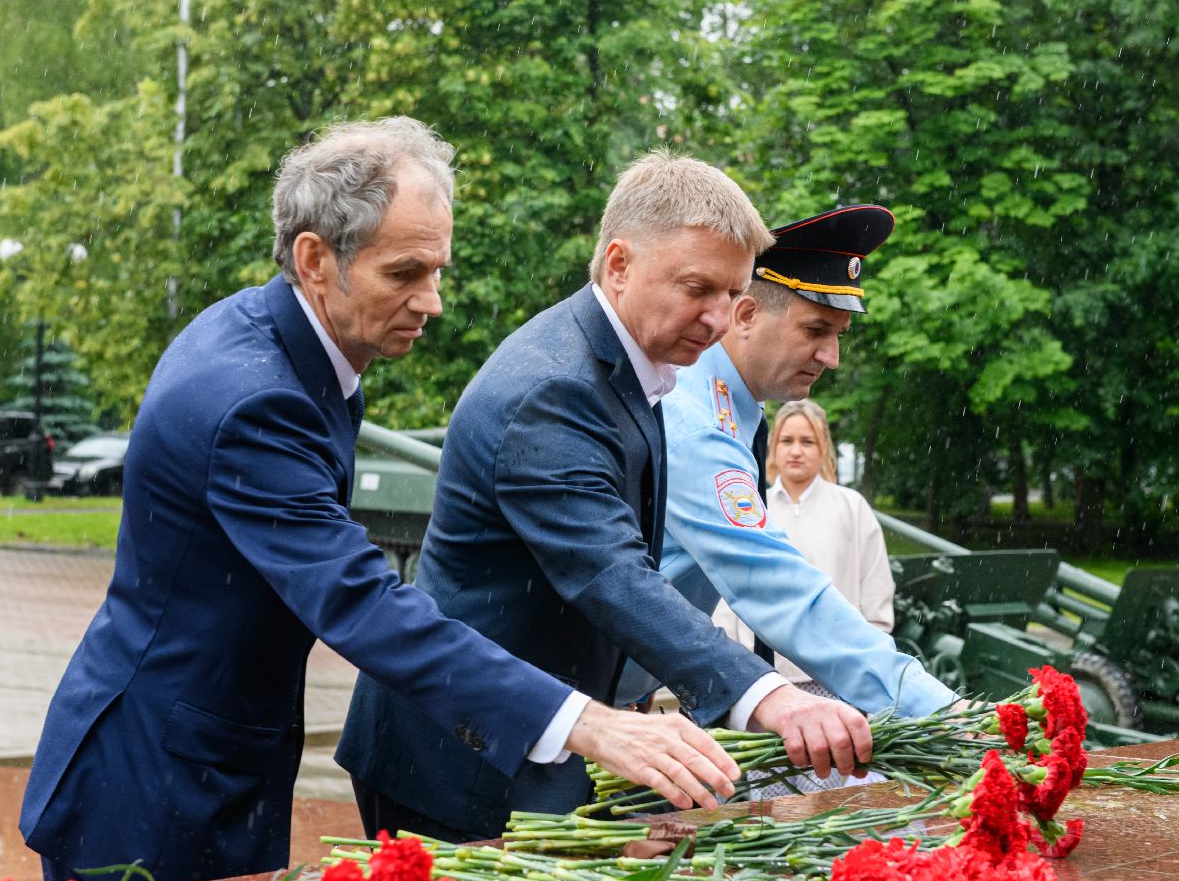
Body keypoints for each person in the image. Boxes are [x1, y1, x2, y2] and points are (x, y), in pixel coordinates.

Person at [20, 119, 739, 881]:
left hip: (203, 754)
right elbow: (360, 604)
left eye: (437, 270)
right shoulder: (255, 401)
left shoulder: (282, 340)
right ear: (315, 259)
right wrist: (585, 723)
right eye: (404, 273)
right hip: (151, 783)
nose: (431, 302)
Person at [340, 151, 876, 843]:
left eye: (731, 294)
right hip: (460, 756)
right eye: (697, 288)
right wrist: (766, 697)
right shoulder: (553, 389)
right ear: (619, 265)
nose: (718, 319)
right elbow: (608, 572)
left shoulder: (630, 361)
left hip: (533, 742)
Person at [642, 205, 956, 716]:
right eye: (815, 330)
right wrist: (940, 712)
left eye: (838, 336)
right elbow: (778, 593)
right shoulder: (700, 422)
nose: (832, 356)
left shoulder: (732, 407)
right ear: (745, 316)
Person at [714, 399, 900, 687]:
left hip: (839, 676)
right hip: (762, 677)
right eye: (787, 440)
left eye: (807, 441)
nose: (796, 451)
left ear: (823, 447)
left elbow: (876, 589)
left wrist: (866, 665)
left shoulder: (852, 507)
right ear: (774, 446)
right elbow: (729, 589)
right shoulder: (751, 507)